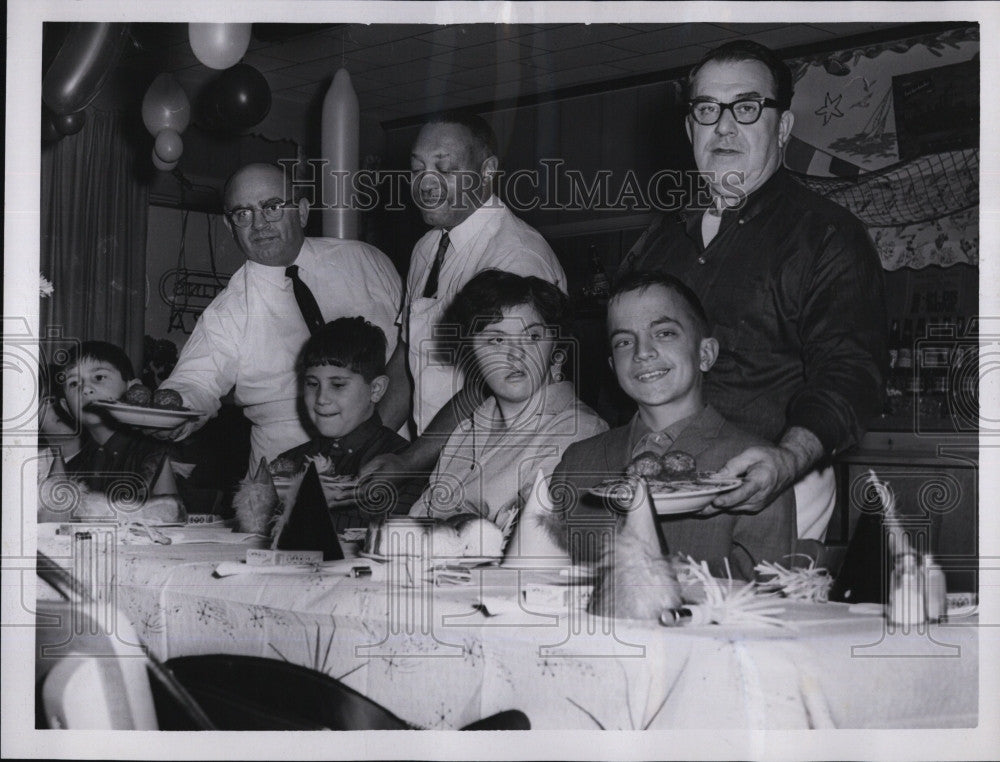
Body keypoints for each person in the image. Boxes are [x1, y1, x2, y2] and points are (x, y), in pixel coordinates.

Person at [619, 40, 886, 540]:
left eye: (745, 108)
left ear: (782, 127)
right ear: (689, 128)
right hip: (661, 489)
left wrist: (788, 458)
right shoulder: (659, 242)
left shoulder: (825, 235)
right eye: (706, 109)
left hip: (772, 488)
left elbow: (852, 372)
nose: (723, 126)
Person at [156, 162, 405, 467]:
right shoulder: (228, 310)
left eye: (272, 207)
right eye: (243, 213)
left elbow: (413, 350)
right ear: (229, 225)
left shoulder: (366, 262)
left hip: (393, 458)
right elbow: (196, 381)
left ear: (301, 211)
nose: (259, 224)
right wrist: (171, 412)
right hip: (290, 476)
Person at [551, 273, 796, 580]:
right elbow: (545, 573)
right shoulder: (577, 462)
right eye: (624, 341)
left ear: (705, 354)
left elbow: (770, 598)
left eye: (664, 333)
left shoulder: (757, 469)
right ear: (613, 367)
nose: (642, 352)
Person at [408, 270, 607, 528]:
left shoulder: (580, 432)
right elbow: (417, 518)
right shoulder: (468, 428)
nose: (516, 355)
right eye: (497, 340)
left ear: (555, 345)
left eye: (532, 337)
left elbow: (531, 540)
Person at [262, 317, 412, 528]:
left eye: (338, 385)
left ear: (376, 389)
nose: (322, 398)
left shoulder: (402, 468)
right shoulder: (288, 463)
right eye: (312, 384)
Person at [43, 341, 184, 522]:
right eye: (74, 383)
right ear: (66, 407)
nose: (85, 389)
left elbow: (171, 522)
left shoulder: (154, 455)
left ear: (133, 391)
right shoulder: (73, 467)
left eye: (99, 377)